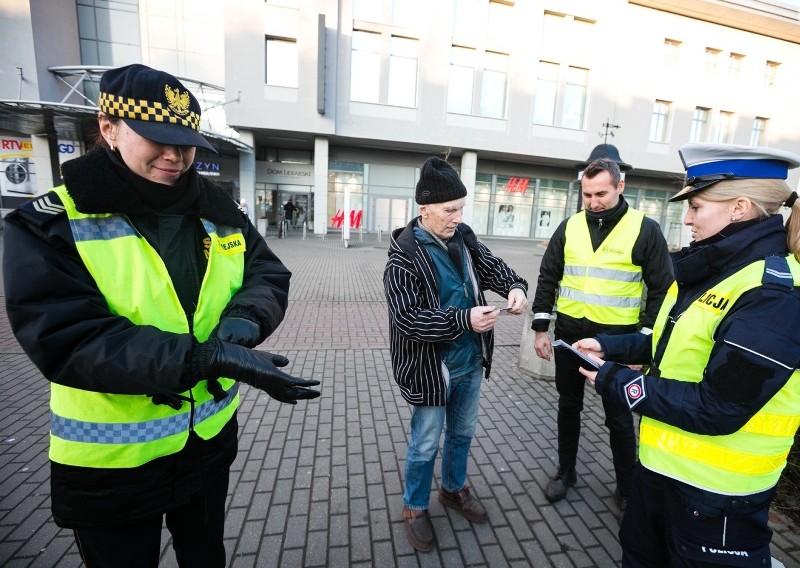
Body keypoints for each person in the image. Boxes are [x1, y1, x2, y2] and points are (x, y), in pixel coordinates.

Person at [2, 64, 321, 567]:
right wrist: (203, 359)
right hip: (113, 464)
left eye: (186, 142)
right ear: (108, 128)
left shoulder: (219, 209)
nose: (175, 156)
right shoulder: (51, 224)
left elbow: (267, 273)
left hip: (207, 442)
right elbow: (68, 339)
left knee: (205, 557)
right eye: (156, 138)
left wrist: (244, 321)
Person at [575, 143, 800, 566]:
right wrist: (611, 347)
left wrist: (617, 383)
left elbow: (719, 406)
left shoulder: (776, 299)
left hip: (717, 500)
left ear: (738, 208)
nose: (687, 218)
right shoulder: (717, 272)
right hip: (661, 473)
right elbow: (677, 341)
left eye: (697, 206)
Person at [384, 156, 529, 552]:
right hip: (431, 369)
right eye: (450, 210)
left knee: (462, 434)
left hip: (468, 362)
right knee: (425, 443)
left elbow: (491, 267)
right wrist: (464, 319)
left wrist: (515, 286)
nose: (457, 216)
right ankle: (414, 507)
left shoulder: (462, 236)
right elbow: (408, 321)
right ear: (424, 209)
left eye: (461, 208)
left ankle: (453, 489)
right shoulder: (404, 258)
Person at [531, 157, 673, 509]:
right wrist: (540, 328)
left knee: (619, 416)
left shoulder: (645, 229)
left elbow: (663, 290)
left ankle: (626, 488)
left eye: (602, 194)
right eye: (587, 194)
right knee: (568, 406)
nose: (594, 202)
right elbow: (548, 277)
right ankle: (566, 472)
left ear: (620, 186)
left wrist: (643, 346)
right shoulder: (569, 226)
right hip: (568, 334)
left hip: (616, 342)